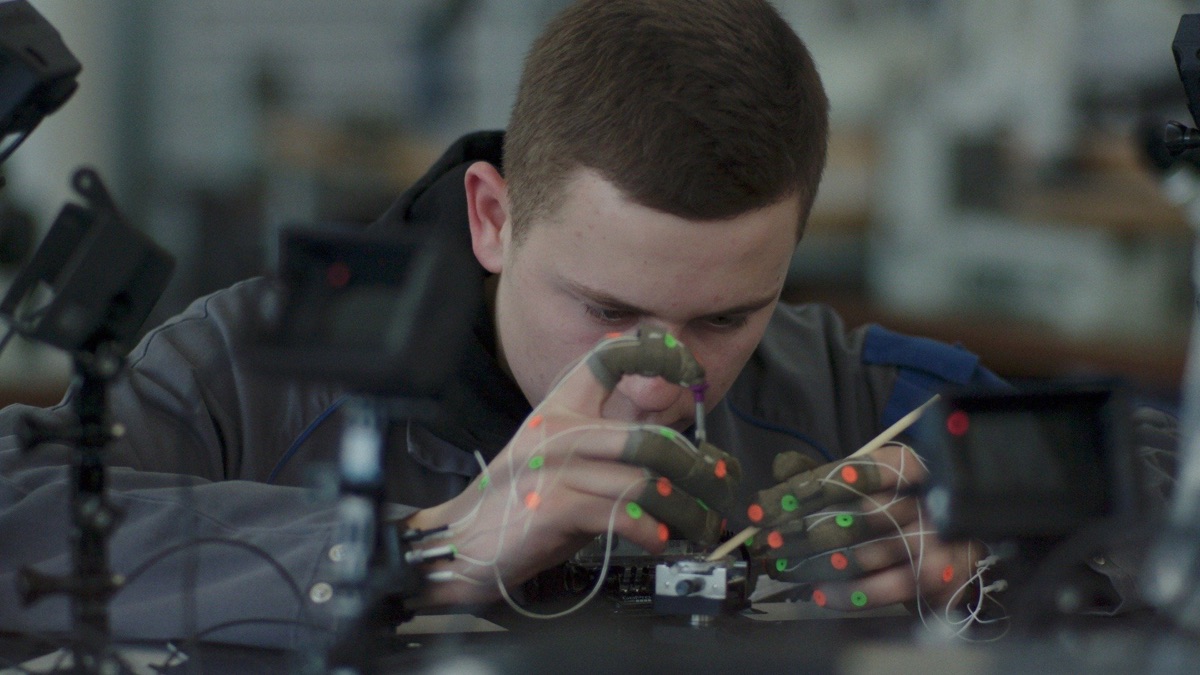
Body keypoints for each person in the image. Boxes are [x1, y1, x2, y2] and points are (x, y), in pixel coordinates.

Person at [0, 0, 1160, 651]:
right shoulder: (259, 367)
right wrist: (421, 550)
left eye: (725, 316)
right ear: (492, 217)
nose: (657, 381)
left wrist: (1009, 561)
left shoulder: (853, 393)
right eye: (607, 310)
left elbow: (1165, 488)